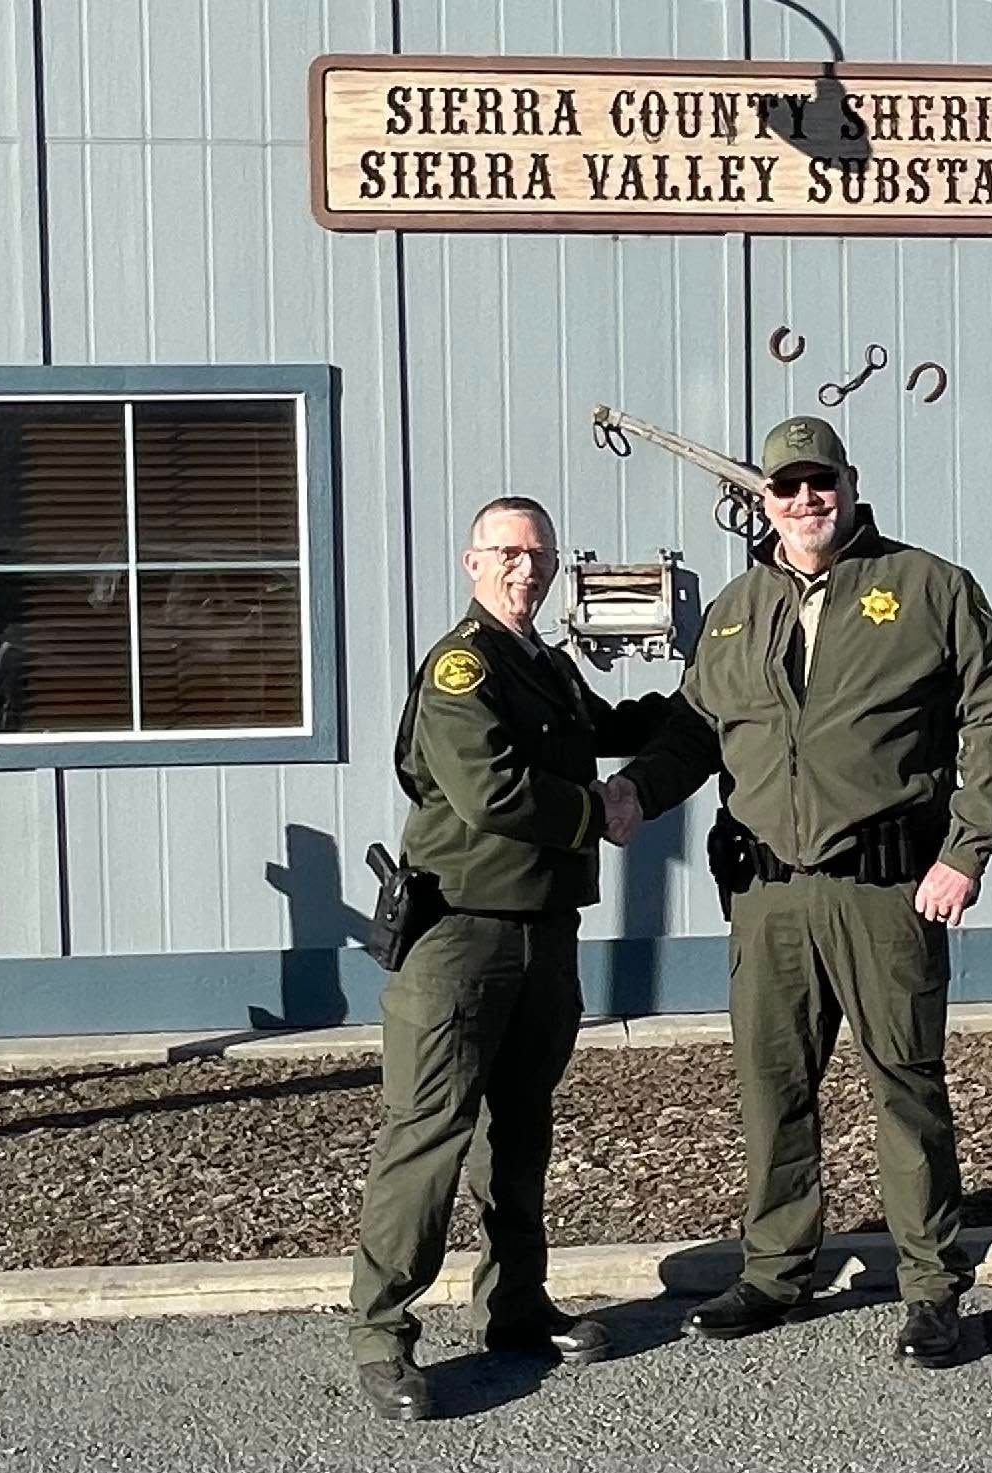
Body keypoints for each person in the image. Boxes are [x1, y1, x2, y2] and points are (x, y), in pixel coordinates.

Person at [605, 415, 992, 1369]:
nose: (806, 501)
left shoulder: (926, 587)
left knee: (906, 1085)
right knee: (772, 1088)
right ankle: (775, 1270)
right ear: (764, 500)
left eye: (820, 482)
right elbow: (696, 731)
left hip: (887, 891)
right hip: (768, 898)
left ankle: (929, 1286)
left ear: (849, 481)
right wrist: (639, 786)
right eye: (787, 487)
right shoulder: (733, 607)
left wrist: (965, 851)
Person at [349, 495, 667, 1422]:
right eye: (507, 553)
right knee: (429, 1135)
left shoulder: (544, 665)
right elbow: (489, 790)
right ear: (472, 560)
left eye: (540, 555)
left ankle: (516, 1309)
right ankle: (382, 1336)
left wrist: (697, 708)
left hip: (543, 932)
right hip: (461, 937)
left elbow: (601, 727)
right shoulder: (463, 666)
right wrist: (595, 814)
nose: (526, 569)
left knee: (521, 1131)